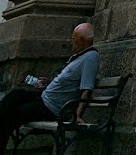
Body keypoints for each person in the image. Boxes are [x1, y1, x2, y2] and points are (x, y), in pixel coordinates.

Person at [0, 22, 99, 152]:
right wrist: (48, 83)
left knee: (13, 113)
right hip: (44, 97)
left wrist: (78, 115)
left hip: (51, 107)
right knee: (15, 94)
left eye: (74, 40)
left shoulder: (90, 58)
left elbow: (87, 88)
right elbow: (67, 82)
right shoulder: (81, 56)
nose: (71, 43)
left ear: (82, 41)